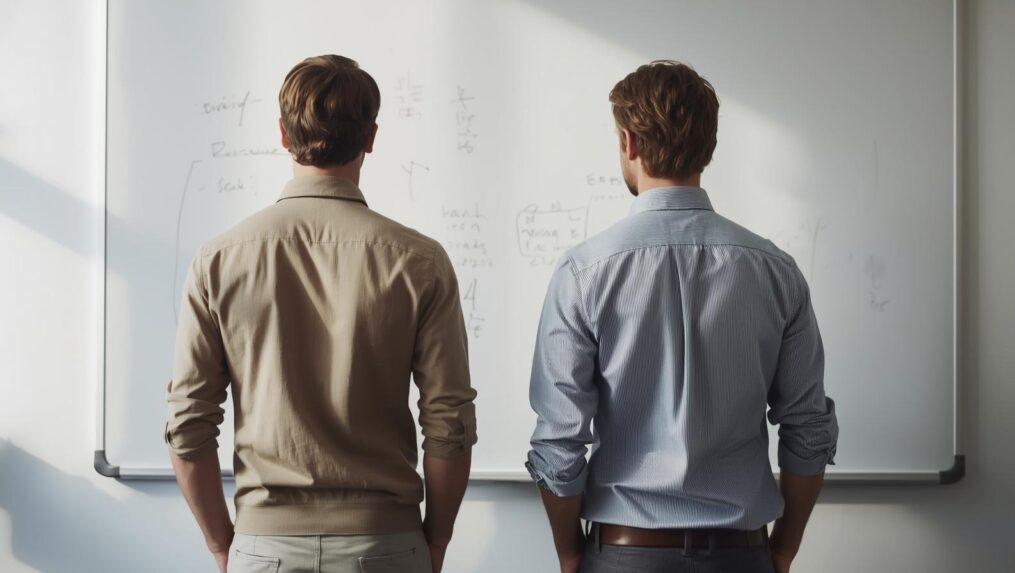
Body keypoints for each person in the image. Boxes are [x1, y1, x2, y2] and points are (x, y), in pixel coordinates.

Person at [165, 55, 477, 573]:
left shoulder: (219, 259)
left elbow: (188, 424)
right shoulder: (419, 261)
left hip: (262, 546)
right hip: (387, 543)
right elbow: (450, 422)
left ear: (284, 136)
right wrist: (435, 542)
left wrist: (224, 546)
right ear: (371, 138)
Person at [526, 60, 838, 573]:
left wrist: (568, 553)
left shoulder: (583, 271)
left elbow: (559, 444)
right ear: (708, 145)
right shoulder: (775, 270)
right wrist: (783, 550)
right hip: (743, 556)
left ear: (629, 142)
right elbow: (806, 431)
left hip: (623, 555)